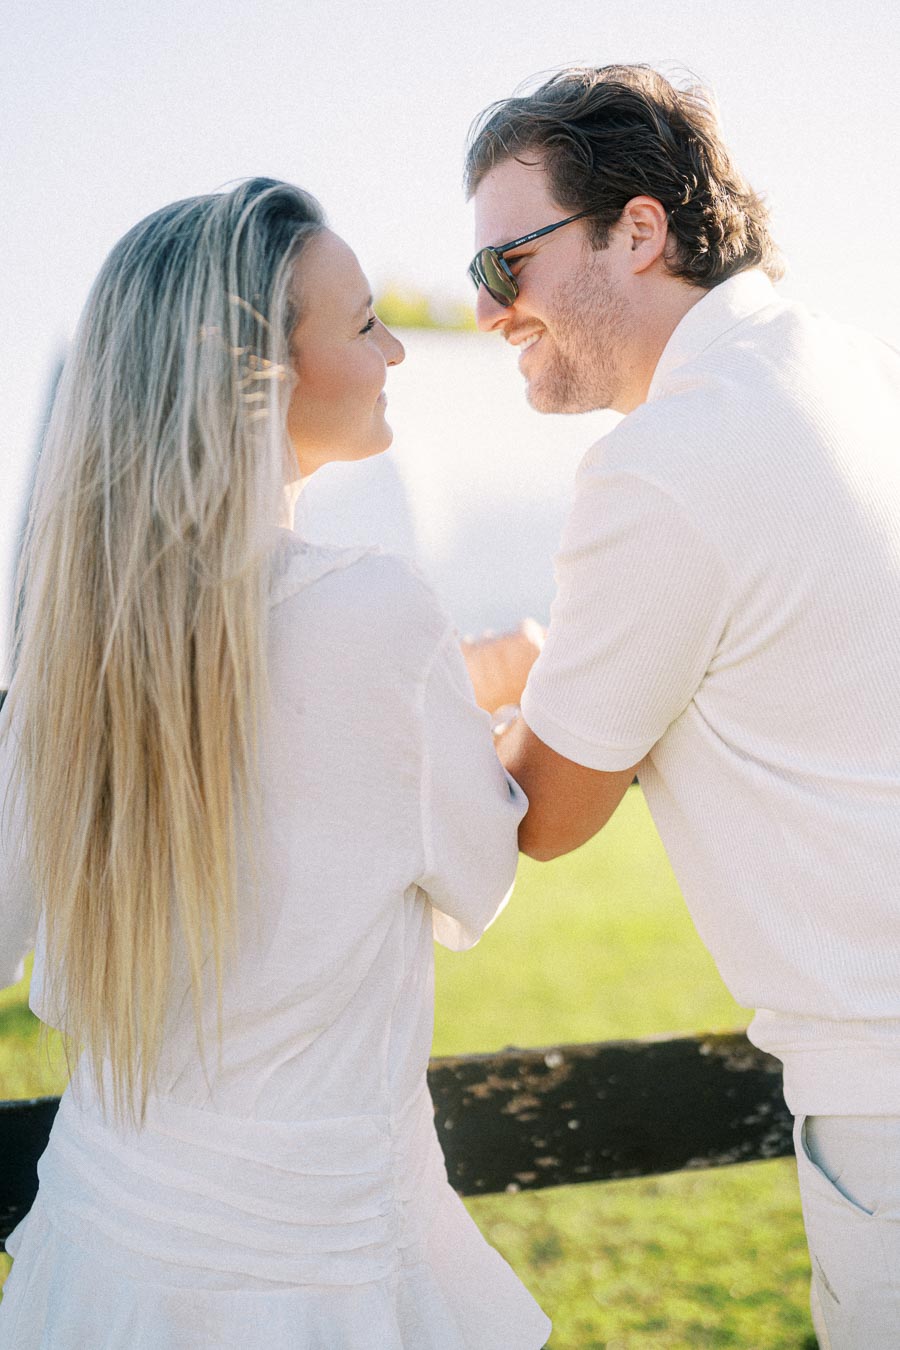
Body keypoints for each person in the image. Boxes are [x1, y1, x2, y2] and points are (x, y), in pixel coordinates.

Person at [0, 178, 550, 1349]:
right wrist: (503, 705)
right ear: (262, 373)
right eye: (362, 325)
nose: (399, 347)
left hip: (96, 1259)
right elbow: (479, 880)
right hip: (320, 1281)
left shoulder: (64, 650)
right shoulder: (380, 611)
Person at [462, 64, 900, 1348]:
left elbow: (540, 818)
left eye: (508, 266)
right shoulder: (848, 369)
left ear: (639, 230)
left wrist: (470, 697)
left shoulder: (665, 461)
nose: (491, 313)